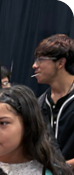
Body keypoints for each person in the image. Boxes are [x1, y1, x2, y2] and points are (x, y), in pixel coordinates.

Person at [33, 34, 74, 167]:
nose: (34, 65)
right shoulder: (39, 103)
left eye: (40, 60)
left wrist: (64, 167)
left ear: (61, 63)